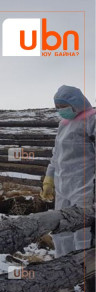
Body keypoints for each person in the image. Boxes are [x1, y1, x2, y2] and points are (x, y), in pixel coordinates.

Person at [40, 85, 95, 258]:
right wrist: (49, 178)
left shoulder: (92, 120)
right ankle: (63, 267)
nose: (60, 111)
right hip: (63, 185)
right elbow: (57, 155)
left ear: (75, 102)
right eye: (57, 108)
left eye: (63, 106)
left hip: (84, 185)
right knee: (61, 228)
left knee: (83, 230)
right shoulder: (63, 124)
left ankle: (87, 273)